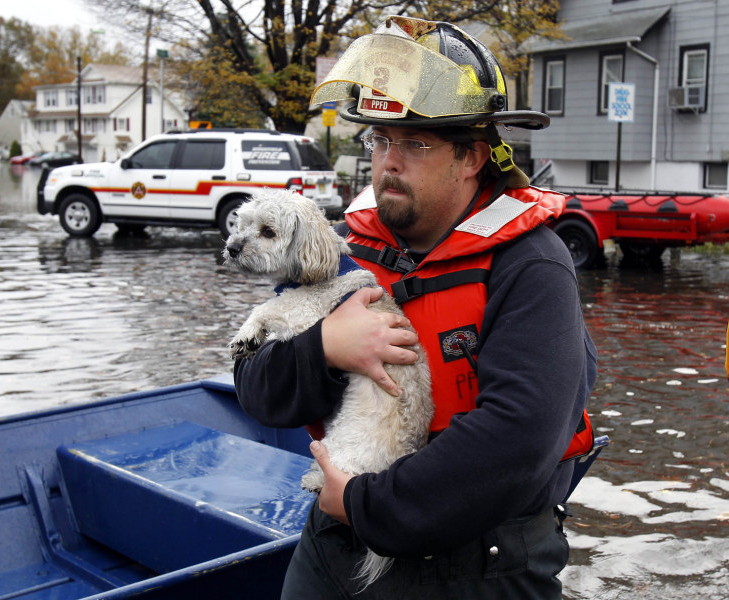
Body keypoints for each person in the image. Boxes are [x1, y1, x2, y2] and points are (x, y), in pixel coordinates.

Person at [235, 15, 597, 599]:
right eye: (379, 141)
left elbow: (518, 441)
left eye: (415, 143)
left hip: (483, 563)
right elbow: (255, 388)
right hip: (334, 545)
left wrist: (360, 503)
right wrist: (325, 348)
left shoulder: (532, 266)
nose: (388, 162)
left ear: (472, 157)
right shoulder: (346, 255)